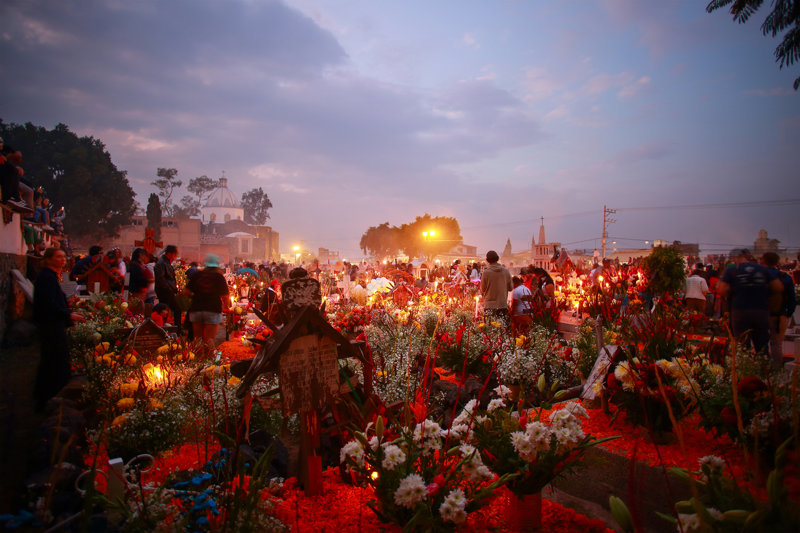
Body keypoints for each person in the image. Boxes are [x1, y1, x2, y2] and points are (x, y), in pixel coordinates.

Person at [33, 247, 86, 412]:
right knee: (54, 360)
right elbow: (49, 303)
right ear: (48, 259)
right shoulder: (46, 278)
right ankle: (51, 398)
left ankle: (48, 396)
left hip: (55, 323)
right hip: (51, 326)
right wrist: (68, 315)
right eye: (58, 257)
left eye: (64, 257)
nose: (62, 260)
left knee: (53, 360)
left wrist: (70, 312)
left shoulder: (51, 276)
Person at [717, 248, 783, 361]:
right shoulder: (762, 269)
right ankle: (764, 371)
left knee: (742, 346)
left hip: (740, 311)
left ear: (735, 258)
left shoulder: (732, 270)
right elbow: (778, 287)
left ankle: (744, 373)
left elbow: (722, 290)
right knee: (762, 345)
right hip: (761, 311)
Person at [187, 254, 230, 355]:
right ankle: (210, 363)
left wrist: (195, 295)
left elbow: (185, 291)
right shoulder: (218, 277)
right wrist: (227, 307)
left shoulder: (197, 275)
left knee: (197, 339)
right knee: (210, 339)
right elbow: (225, 296)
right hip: (212, 310)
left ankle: (196, 362)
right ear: (216, 265)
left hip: (196, 309)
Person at [761, 252, 797, 364]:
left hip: (760, 315)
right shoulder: (785, 277)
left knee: (761, 344)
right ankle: (777, 372)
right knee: (777, 345)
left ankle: (763, 369)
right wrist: (788, 314)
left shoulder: (759, 276)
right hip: (779, 315)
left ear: (763, 261)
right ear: (777, 262)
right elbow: (792, 298)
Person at [154, 245, 182, 334]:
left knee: (176, 309)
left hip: (168, 291)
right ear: (170, 254)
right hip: (165, 292)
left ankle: (176, 330)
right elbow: (161, 279)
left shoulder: (166, 262)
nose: (175, 257)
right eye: (175, 254)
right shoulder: (162, 263)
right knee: (164, 311)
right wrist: (170, 288)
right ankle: (164, 330)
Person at [480, 250, 512, 325]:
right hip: (502, 304)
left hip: (490, 305)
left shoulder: (486, 273)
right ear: (497, 258)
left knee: (490, 330)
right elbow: (510, 288)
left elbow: (483, 289)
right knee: (502, 330)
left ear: (487, 260)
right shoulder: (506, 271)